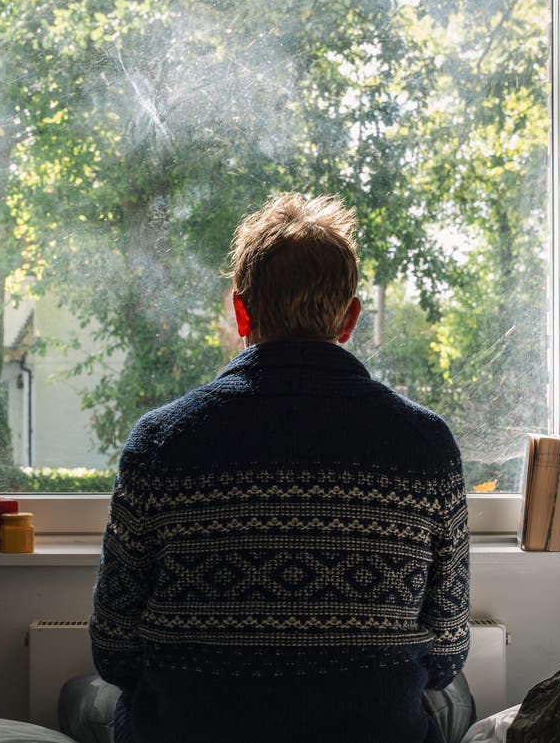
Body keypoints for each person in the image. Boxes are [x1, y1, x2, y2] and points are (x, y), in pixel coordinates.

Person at [88, 193, 471, 743]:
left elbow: (115, 653)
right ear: (350, 319)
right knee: (457, 698)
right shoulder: (427, 446)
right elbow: (447, 655)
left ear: (241, 311)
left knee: (79, 697)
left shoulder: (160, 443)